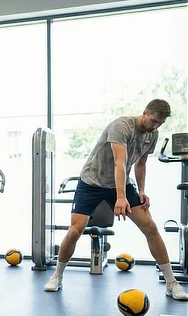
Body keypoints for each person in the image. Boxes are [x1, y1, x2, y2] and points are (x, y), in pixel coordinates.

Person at [43, 99, 187, 301]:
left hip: (120, 184)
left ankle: (171, 283)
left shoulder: (152, 135)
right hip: (91, 182)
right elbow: (120, 163)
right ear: (144, 112)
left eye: (159, 124)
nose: (155, 126)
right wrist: (121, 198)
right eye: (153, 121)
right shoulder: (122, 127)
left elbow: (141, 164)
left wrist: (142, 191)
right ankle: (57, 276)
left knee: (150, 227)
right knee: (75, 230)